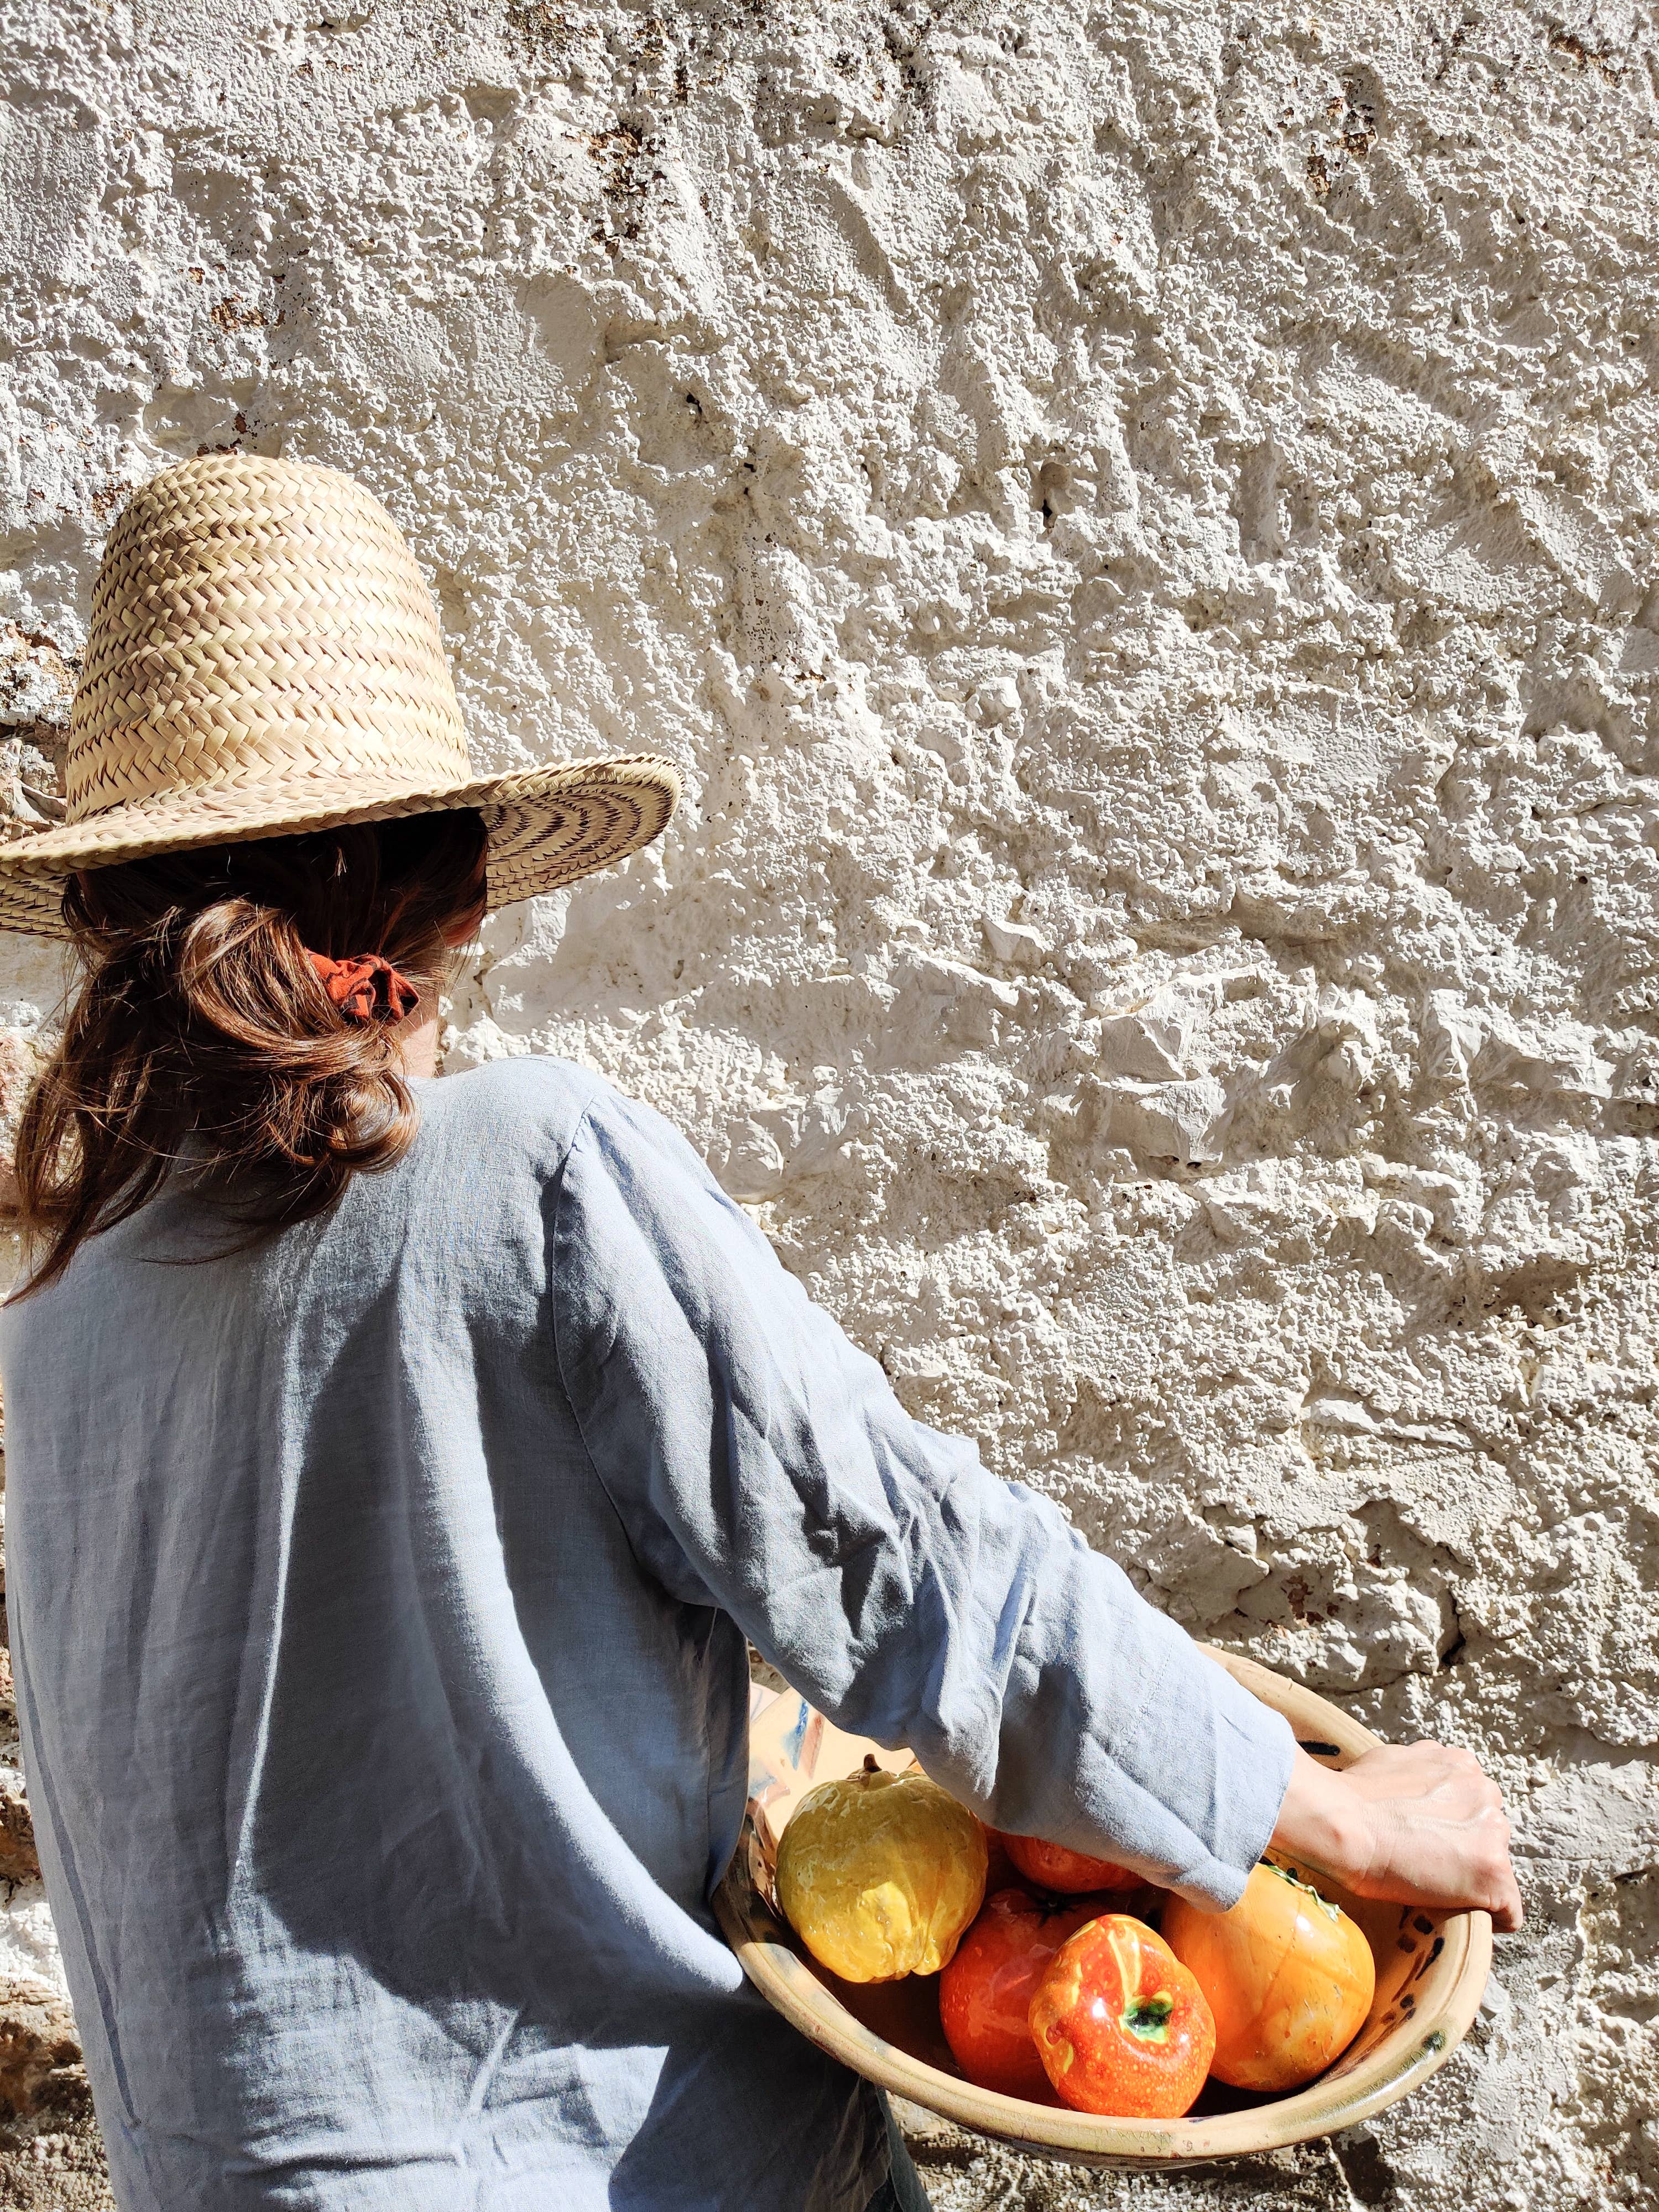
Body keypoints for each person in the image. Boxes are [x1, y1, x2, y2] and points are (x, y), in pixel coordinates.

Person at [0, 456, 1521, 2212]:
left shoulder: (60, 1297)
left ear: (119, 931)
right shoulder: (526, 1167)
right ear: (465, 896)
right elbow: (906, 1562)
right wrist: (1324, 1817)